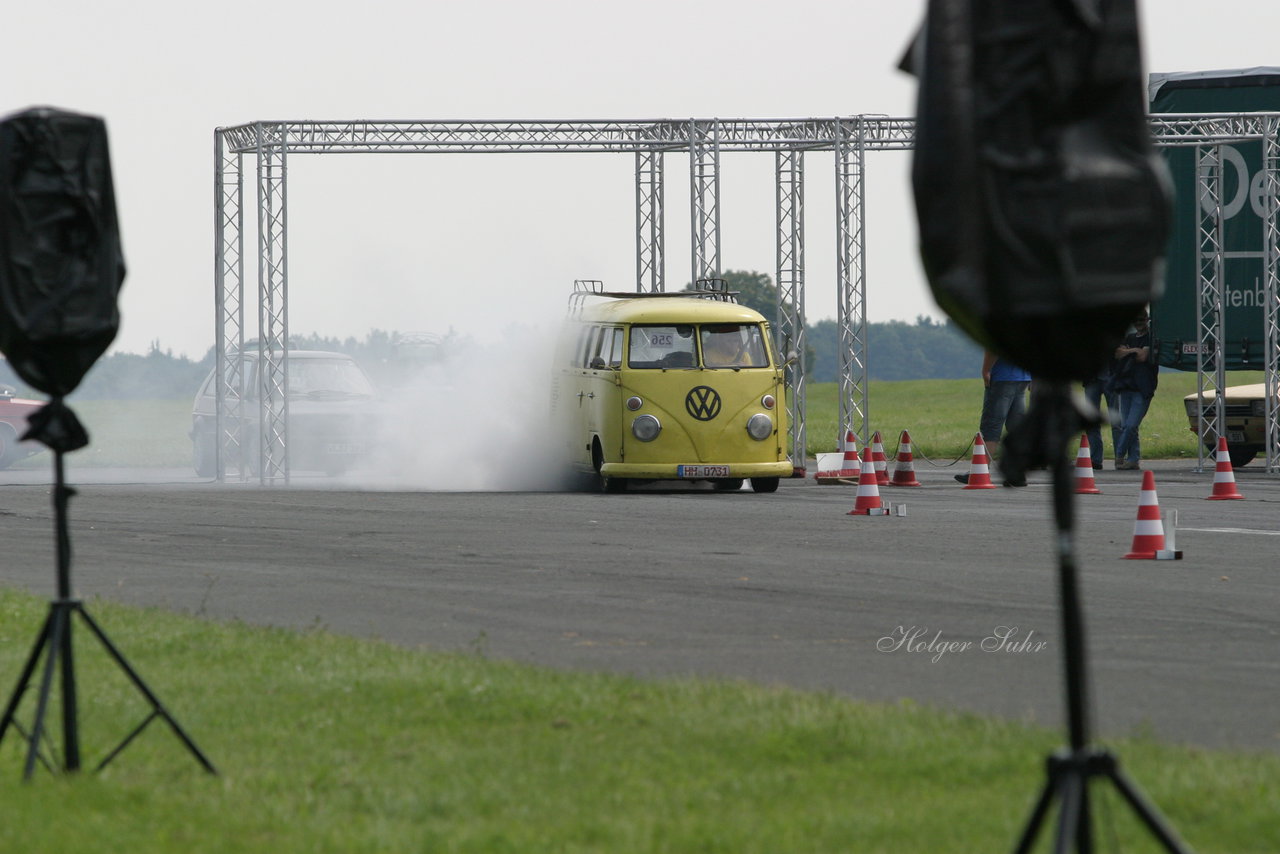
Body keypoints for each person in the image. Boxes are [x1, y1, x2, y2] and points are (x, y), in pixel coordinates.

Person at [956, 350, 1031, 486]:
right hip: (1023, 377)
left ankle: (981, 471)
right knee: (1016, 428)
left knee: (992, 425)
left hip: (1002, 376)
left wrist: (985, 371)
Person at [1110, 311, 1158, 470]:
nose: (1138, 323)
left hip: (1143, 388)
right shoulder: (1130, 337)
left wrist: (1128, 352)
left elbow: (1143, 356)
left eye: (1141, 320)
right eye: (1135, 320)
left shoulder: (1151, 338)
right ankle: (1133, 459)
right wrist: (1134, 351)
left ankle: (1119, 454)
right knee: (1127, 426)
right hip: (1126, 387)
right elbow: (1117, 353)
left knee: (1131, 425)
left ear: (1147, 320)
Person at [1081, 361, 1119, 470]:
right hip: (1091, 378)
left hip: (1111, 376)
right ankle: (1095, 460)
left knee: (1116, 421)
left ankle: (1119, 458)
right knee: (1091, 421)